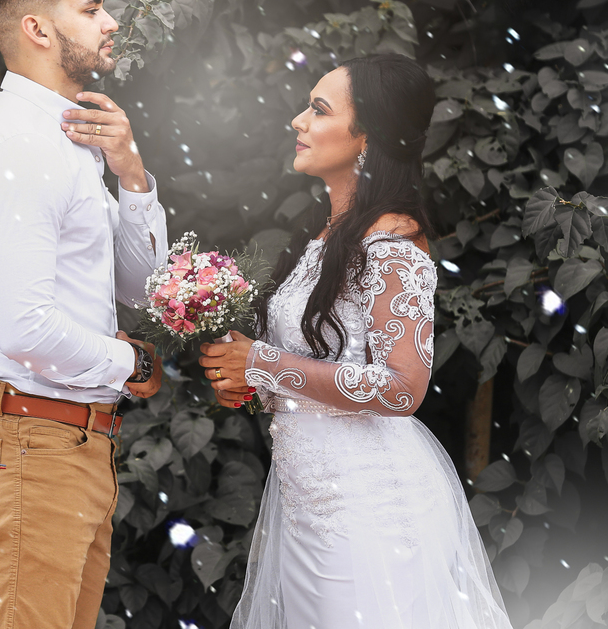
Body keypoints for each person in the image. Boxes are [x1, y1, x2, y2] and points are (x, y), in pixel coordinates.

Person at [198, 55, 513, 628]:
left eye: (319, 110)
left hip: (367, 507)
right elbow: (313, 368)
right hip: (305, 506)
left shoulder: (391, 241)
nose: (298, 121)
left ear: (368, 135)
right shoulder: (326, 236)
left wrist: (263, 362)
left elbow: (402, 388)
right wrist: (248, 379)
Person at [0, 0, 169, 629]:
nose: (111, 22)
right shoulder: (23, 146)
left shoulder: (66, 138)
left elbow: (139, 287)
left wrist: (132, 174)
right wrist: (131, 363)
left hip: (65, 445)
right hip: (29, 443)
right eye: (92, 8)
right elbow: (26, 328)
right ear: (38, 29)